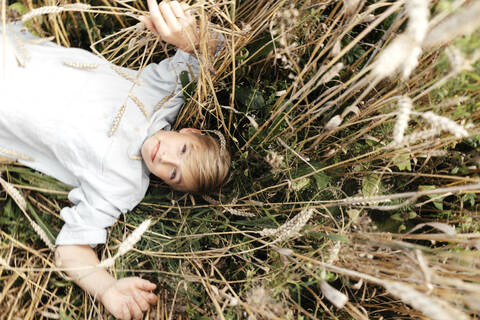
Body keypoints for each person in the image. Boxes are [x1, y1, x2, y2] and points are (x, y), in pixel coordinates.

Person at [0, 0, 230, 319]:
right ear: (189, 131)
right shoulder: (162, 97)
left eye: (173, 174)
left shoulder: (121, 185)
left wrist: (106, 288)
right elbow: (216, 48)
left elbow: (72, 248)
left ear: (165, 183)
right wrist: (188, 36)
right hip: (11, 50)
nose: (164, 157)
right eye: (183, 150)